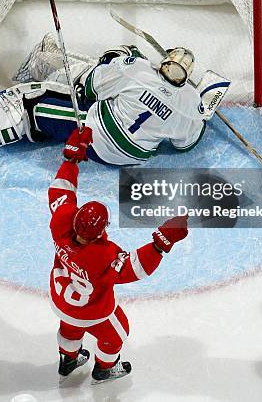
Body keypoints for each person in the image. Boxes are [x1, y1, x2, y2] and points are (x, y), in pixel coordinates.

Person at [48, 126, 189, 382]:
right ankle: (104, 369)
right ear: (102, 230)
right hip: (93, 311)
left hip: (61, 301)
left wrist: (71, 159)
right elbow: (136, 268)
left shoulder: (61, 223)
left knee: (70, 328)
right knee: (117, 334)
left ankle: (68, 359)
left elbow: (61, 191)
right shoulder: (102, 255)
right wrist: (162, 241)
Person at [0, 38, 230, 163]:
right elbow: (186, 144)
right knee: (73, 88)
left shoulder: (140, 71)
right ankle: (50, 60)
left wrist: (114, 59)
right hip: (134, 156)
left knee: (34, 99)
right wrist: (203, 110)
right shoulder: (190, 104)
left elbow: (91, 90)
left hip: (99, 137)